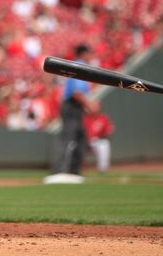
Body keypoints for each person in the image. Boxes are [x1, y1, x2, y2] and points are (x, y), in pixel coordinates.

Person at [44, 44, 97, 184]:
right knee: (69, 139)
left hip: (75, 107)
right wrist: (89, 105)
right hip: (72, 106)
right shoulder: (79, 67)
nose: (91, 56)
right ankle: (58, 171)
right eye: (89, 53)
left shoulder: (80, 66)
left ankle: (73, 171)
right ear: (83, 54)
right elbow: (76, 93)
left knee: (80, 138)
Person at [83, 105, 114, 173]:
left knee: (104, 144)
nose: (93, 109)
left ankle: (102, 170)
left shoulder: (103, 118)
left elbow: (109, 131)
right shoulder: (85, 118)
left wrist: (102, 137)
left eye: (95, 107)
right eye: (92, 107)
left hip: (98, 141)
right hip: (85, 141)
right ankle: (73, 169)